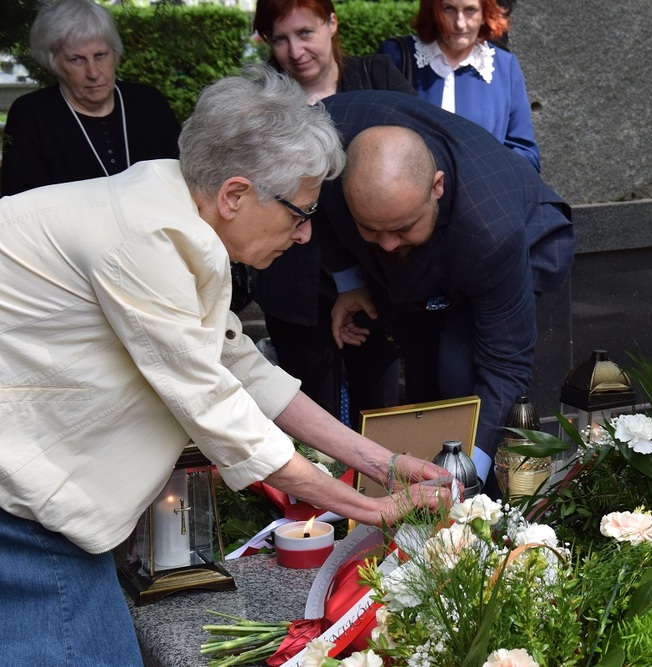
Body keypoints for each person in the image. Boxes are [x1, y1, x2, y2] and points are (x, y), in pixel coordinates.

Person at [0, 68, 451, 665]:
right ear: (236, 194)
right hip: (21, 516)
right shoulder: (146, 238)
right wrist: (372, 509)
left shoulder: (169, 214)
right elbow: (214, 403)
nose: (305, 234)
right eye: (299, 212)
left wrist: (383, 463)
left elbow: (242, 368)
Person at [318, 90, 573, 497]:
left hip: (521, 236)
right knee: (421, 371)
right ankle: (419, 491)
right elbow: (321, 214)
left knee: (459, 365)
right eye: (370, 230)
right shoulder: (323, 146)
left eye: (401, 228)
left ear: (436, 186)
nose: (385, 245)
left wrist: (465, 477)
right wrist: (351, 284)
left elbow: (505, 364)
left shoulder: (492, 231)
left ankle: (483, 497)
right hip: (427, 260)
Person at [251, 0, 413, 427]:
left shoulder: (376, 76)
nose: (295, 50)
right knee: (310, 412)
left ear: (332, 24)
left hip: (375, 272)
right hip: (293, 279)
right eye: (280, 39)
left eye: (305, 33)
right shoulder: (261, 98)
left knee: (377, 410)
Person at [0, 0, 180, 197]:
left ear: (115, 54)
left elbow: (183, 181)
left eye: (101, 55)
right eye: (76, 59)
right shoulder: (31, 114)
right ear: (53, 63)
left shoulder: (148, 103)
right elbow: (23, 204)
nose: (93, 72)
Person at [377, 0, 541, 172]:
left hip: (481, 194)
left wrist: (488, 173)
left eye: (470, 10)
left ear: (485, 14)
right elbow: (371, 137)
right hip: (410, 195)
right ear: (433, 11)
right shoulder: (396, 57)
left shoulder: (504, 66)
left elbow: (527, 154)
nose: (460, 24)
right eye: (449, 9)